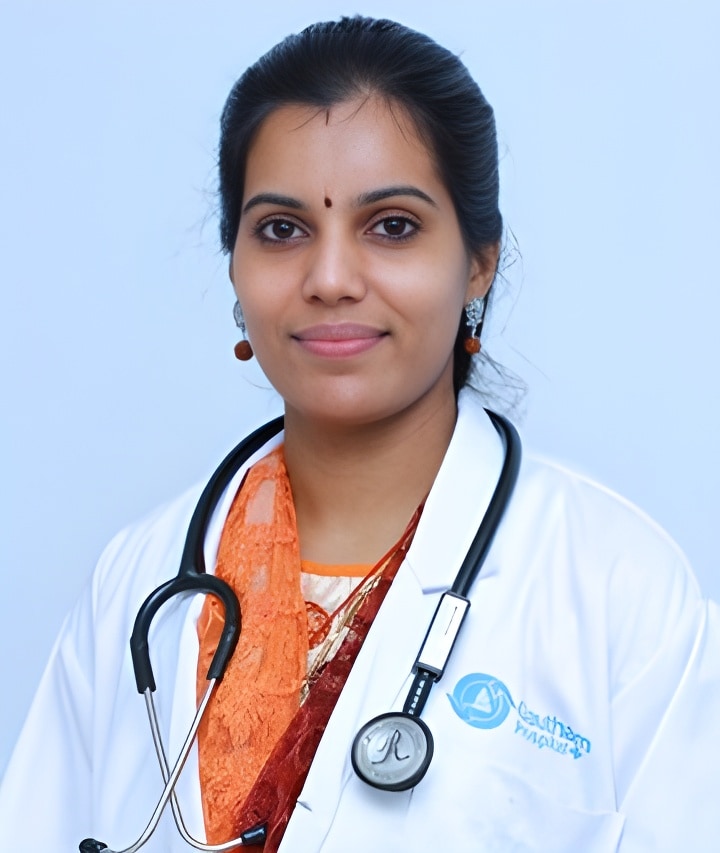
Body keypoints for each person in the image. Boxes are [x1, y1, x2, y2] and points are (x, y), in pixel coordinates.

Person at [1, 16, 718, 853]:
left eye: (392, 226)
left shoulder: (617, 590)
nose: (331, 278)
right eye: (282, 229)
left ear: (478, 261)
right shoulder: (138, 582)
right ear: (234, 264)